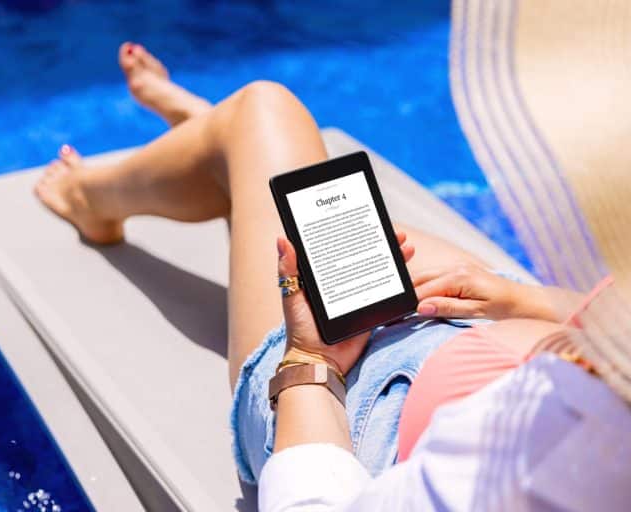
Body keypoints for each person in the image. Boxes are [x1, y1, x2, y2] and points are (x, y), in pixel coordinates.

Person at [34, 43, 628, 508]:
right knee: (330, 223)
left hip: (359, 403)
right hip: (510, 326)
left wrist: (308, 365)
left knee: (266, 110)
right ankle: (217, 147)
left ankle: (97, 196)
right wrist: (541, 303)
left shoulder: (557, 470)